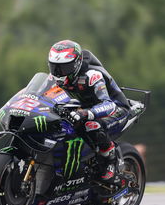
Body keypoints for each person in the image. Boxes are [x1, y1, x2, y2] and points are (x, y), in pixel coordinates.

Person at [48, 40, 130, 182]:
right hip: (84, 107)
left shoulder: (92, 76)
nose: (58, 72)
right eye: (55, 67)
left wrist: (86, 113)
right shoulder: (54, 78)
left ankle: (110, 160)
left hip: (116, 109)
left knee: (92, 125)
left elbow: (108, 104)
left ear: (76, 63)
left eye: (64, 67)